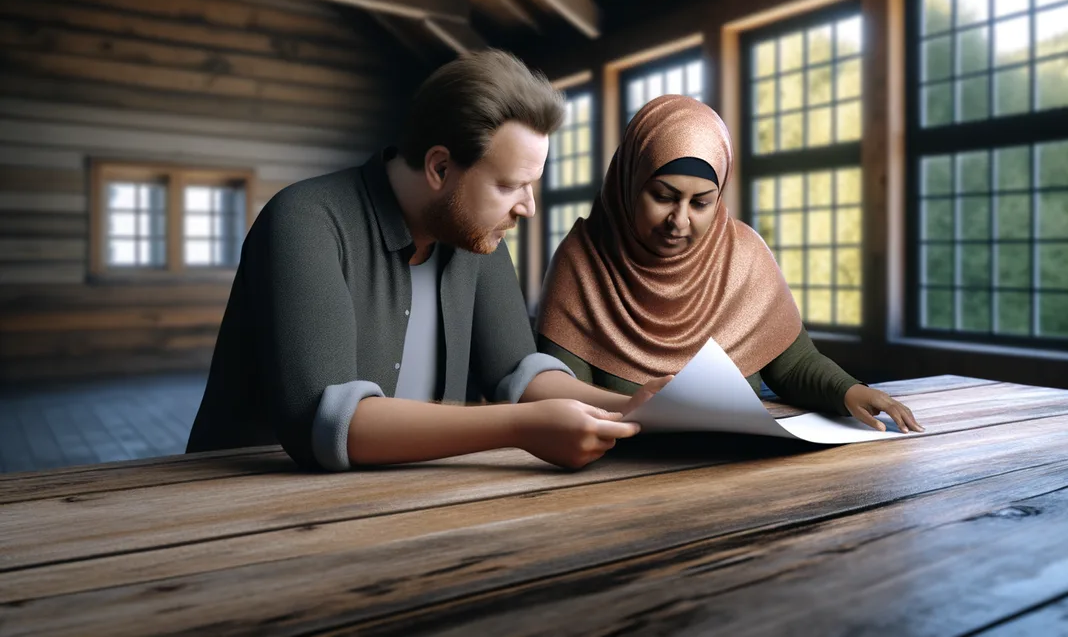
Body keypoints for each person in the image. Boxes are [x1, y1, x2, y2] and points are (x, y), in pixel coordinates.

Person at [187, 51, 668, 472]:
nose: (528, 208)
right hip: (242, 511)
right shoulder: (304, 221)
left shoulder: (477, 236)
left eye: (532, 185)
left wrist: (631, 408)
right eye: (508, 186)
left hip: (400, 501)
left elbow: (518, 374)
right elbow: (328, 422)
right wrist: (521, 426)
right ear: (440, 167)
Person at [535, 94, 923, 433]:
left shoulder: (744, 255)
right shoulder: (581, 260)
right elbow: (559, 398)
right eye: (663, 196)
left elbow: (793, 365)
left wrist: (850, 391)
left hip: (738, 473)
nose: (680, 220)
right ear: (627, 184)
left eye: (701, 202)